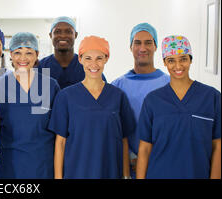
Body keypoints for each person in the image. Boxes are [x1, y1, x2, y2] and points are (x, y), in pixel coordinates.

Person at [49, 36, 134, 179]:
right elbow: (60, 143)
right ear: (80, 59)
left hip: (110, 171)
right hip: (77, 172)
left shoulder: (118, 96)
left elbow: (124, 140)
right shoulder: (66, 97)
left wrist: (126, 176)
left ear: (106, 58)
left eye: (99, 58)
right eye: (88, 58)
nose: (93, 64)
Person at [136, 35, 221, 179]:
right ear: (164, 62)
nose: (178, 66)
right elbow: (144, 149)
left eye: (183, 59)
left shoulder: (211, 97)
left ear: (190, 60)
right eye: (171, 60)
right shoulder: (153, 100)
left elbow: (218, 146)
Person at [0, 32, 60, 179]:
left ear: (37, 54)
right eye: (17, 52)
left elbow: (60, 133)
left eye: (29, 52)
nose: (23, 58)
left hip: (43, 165)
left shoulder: (51, 86)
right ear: (10, 54)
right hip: (9, 165)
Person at [111, 23, 170, 177]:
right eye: (137, 42)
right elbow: (114, 131)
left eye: (148, 42)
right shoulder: (117, 86)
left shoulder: (170, 84)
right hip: (128, 167)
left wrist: (148, 159)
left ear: (156, 46)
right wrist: (131, 159)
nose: (142, 48)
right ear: (130, 47)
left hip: (162, 163)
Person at [38, 16, 105, 89]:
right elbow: (31, 97)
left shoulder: (88, 66)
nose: (63, 36)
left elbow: (103, 95)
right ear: (51, 35)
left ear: (75, 35)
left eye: (68, 32)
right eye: (57, 32)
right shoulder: (41, 67)